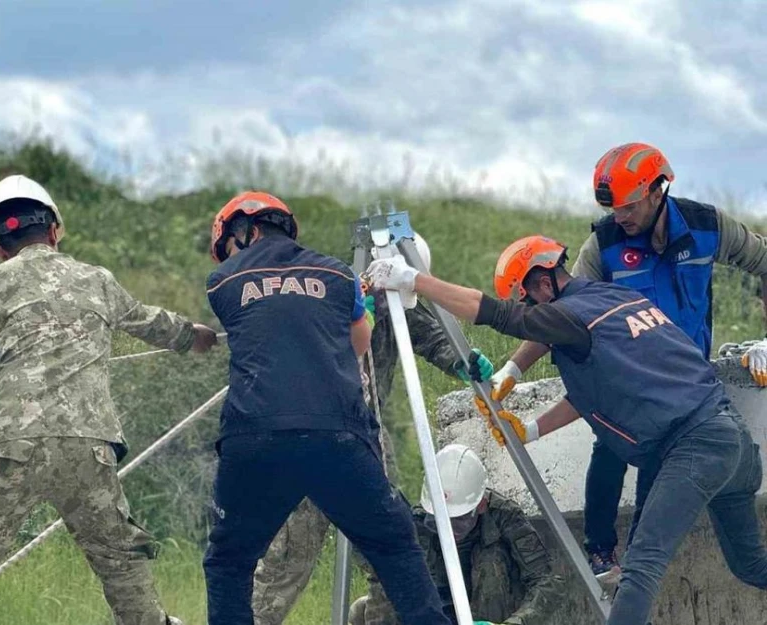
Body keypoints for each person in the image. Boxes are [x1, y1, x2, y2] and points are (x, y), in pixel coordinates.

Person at [367, 235, 767, 625]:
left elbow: (493, 313)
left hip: (693, 447)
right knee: (750, 565)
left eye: (526, 299)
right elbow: (593, 395)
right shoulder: (616, 300)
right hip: (734, 446)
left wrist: (413, 281)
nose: (528, 310)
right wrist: (529, 427)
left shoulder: (571, 316)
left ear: (544, 283)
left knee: (641, 569)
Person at [0, 175, 218, 625]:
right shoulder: (97, 279)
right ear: (55, 230)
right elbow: (149, 322)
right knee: (120, 561)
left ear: (0, 246)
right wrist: (195, 336)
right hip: (89, 447)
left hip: (9, 443)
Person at [486, 143, 767, 576]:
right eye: (612, 207)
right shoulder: (604, 245)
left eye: (628, 205)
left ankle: (636, 562)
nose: (621, 216)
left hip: (688, 388)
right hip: (629, 377)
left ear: (659, 190)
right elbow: (558, 314)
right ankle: (601, 551)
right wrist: (513, 368)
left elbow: (764, 261)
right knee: (610, 445)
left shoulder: (707, 226)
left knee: (662, 474)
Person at [202, 190, 451, 625]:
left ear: (247, 230)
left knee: (228, 562)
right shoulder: (338, 275)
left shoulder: (221, 282)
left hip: (255, 437)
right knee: (395, 546)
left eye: (228, 246)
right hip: (337, 437)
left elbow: (263, 324)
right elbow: (360, 342)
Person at [252, 235, 496, 625]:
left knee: (392, 554)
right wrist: (344, 321)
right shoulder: (328, 293)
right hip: (311, 435)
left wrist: (461, 360)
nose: (389, 305)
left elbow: (429, 334)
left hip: (366, 438)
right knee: (287, 562)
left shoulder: (396, 301)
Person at [347, 444, 561, 625]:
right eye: (439, 519)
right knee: (362, 607)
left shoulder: (505, 518)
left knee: (491, 561)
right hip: (437, 613)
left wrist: (517, 622)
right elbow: (383, 577)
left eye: (458, 520)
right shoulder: (418, 524)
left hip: (489, 614)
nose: (449, 529)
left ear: (482, 505)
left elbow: (548, 581)